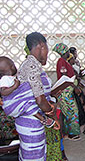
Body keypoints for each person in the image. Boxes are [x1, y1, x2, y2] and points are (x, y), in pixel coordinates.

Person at [1, 32, 60, 160]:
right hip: (30, 123)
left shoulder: (29, 65)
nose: (47, 54)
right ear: (41, 45)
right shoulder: (32, 66)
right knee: (33, 155)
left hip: (29, 121)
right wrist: (52, 112)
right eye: (47, 49)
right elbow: (39, 99)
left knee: (31, 153)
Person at [0, 57, 57, 128]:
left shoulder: (12, 77)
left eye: (13, 64)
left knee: (30, 105)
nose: (13, 67)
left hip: (18, 100)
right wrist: (14, 87)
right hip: (11, 103)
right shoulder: (5, 79)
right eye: (10, 66)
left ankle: (44, 119)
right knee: (27, 105)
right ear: (2, 72)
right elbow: (3, 92)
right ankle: (43, 119)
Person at [53, 43, 81, 141]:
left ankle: (68, 132)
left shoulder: (64, 61)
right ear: (65, 52)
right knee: (72, 111)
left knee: (68, 112)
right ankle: (72, 133)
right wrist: (74, 86)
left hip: (68, 90)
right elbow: (65, 78)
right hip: (65, 91)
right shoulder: (61, 62)